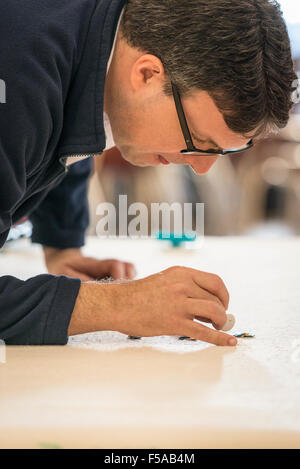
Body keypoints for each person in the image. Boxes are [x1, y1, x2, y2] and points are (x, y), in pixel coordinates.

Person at [0, 0, 297, 346]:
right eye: (197, 141)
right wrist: (117, 304)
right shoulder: (19, 75)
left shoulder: (94, 34)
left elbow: (77, 115)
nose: (202, 168)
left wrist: (62, 243)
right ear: (146, 74)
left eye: (225, 150)